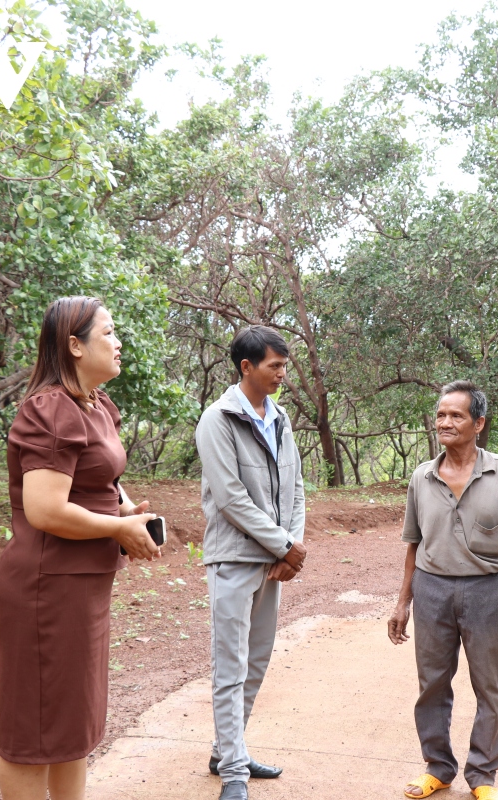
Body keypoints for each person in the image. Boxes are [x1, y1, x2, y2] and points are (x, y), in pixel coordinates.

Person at [0, 297, 162, 800]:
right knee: (33, 729)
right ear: (74, 345)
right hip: (47, 589)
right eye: (108, 333)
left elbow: (105, 479)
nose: (118, 342)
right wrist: (114, 530)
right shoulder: (49, 409)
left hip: (82, 588)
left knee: (70, 725)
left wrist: (129, 514)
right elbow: (45, 510)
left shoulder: (96, 404)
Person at [388, 380, 498, 800]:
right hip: (432, 590)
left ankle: (483, 777)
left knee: (491, 686)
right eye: (441, 414)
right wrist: (402, 601)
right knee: (432, 684)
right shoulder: (422, 477)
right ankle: (438, 768)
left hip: (490, 592)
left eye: (456, 415)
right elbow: (413, 544)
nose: (445, 422)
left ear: (478, 423)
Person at [195, 325, 307, 800]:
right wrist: (283, 545)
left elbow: (296, 489)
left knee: (256, 662)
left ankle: (227, 751)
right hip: (234, 560)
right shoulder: (217, 420)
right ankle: (235, 773)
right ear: (247, 367)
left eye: (284, 365)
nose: (282, 373)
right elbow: (230, 499)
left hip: (274, 560)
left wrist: (290, 547)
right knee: (231, 665)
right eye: (274, 366)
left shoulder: (279, 417)